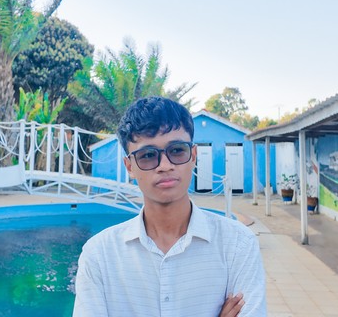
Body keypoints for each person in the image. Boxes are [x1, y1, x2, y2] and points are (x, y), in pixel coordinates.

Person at [73, 97, 266, 316]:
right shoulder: (99, 254)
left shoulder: (238, 244)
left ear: (193, 156)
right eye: (147, 155)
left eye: (177, 151)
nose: (165, 166)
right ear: (129, 167)